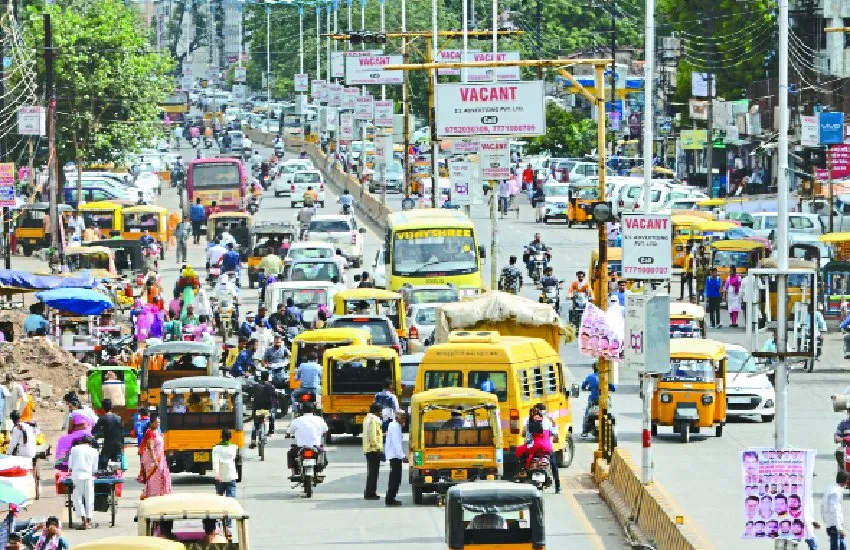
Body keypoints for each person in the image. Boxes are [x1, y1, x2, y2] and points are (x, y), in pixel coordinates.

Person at [286, 401, 328, 477]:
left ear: (302, 410)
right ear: (313, 410)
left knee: (290, 454)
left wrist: (289, 434)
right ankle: (319, 472)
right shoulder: (319, 420)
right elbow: (325, 430)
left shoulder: (297, 420)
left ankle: (293, 473)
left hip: (300, 448)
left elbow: (289, 431)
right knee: (322, 454)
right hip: (316, 448)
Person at [527, 403, 561, 492]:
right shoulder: (548, 421)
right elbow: (555, 435)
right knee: (554, 465)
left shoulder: (530, 420)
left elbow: (527, 436)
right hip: (547, 448)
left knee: (526, 462)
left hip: (534, 448)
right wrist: (554, 424)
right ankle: (558, 486)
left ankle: (526, 478)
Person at [68, 435, 99, 529]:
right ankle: (89, 521)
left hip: (77, 476)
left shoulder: (74, 449)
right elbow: (95, 468)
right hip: (88, 476)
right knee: (89, 499)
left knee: (78, 499)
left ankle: (83, 521)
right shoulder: (94, 451)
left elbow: (70, 465)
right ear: (90, 443)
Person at [56, 392, 97, 462]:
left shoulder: (72, 413)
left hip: (78, 436)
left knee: (62, 441)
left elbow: (68, 429)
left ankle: (64, 461)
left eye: (67, 403)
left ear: (70, 403)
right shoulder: (87, 409)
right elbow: (95, 421)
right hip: (90, 433)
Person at [140, 413, 172, 499]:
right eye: (157, 422)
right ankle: (152, 496)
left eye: (159, 422)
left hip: (160, 458)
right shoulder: (150, 432)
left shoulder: (157, 431)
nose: (158, 424)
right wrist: (154, 460)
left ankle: (158, 495)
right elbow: (150, 448)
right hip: (153, 460)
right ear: (151, 423)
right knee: (153, 478)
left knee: (160, 477)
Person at [580, 365, 616, 437]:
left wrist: (588, 387)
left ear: (594, 369)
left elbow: (583, 386)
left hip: (593, 399)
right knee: (608, 411)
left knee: (587, 414)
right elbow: (613, 388)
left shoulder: (590, 377)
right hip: (604, 400)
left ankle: (585, 431)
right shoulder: (606, 377)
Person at [515, 408, 553, 473]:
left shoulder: (530, 422)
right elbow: (552, 434)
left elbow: (527, 438)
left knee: (520, 450)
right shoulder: (547, 421)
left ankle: (523, 470)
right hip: (548, 447)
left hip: (535, 446)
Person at [92, 398, 124, 469]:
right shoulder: (118, 418)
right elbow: (122, 433)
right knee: (115, 463)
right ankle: (115, 477)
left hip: (108, 444)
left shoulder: (102, 418)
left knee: (103, 463)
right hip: (117, 444)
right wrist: (122, 445)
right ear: (111, 407)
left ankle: (103, 474)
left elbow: (94, 431)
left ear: (103, 408)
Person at [362, 403, 383, 501]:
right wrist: (378, 447)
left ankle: (369, 492)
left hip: (368, 449)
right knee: (374, 473)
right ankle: (370, 493)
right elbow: (373, 436)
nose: (381, 413)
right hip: (373, 449)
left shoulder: (367, 419)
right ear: (376, 411)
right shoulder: (374, 420)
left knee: (371, 472)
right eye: (380, 411)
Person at [250, 371, 277, 448]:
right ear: (268, 377)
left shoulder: (255, 386)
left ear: (260, 377)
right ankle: (271, 431)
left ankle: (253, 441)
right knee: (272, 414)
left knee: (255, 424)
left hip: (257, 409)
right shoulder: (270, 386)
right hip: (267, 409)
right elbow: (275, 395)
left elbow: (250, 395)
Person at [823, 471, 847, 550]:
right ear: (845, 481)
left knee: (841, 545)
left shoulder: (832, 488)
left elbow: (823, 505)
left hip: (832, 524)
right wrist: (840, 529)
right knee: (836, 546)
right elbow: (834, 511)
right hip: (834, 525)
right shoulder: (835, 493)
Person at [212, 429, 239, 499]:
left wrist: (216, 475)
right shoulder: (234, 447)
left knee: (219, 499)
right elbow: (233, 457)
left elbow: (215, 462)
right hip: (231, 476)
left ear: (221, 437)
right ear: (230, 437)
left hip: (220, 477)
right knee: (231, 500)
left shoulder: (216, 448)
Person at [384, 414, 404, 507]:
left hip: (395, 456)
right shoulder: (395, 427)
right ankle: (390, 499)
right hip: (395, 456)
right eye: (403, 418)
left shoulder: (395, 425)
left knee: (395, 478)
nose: (404, 421)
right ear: (397, 418)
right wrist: (402, 455)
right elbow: (396, 443)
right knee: (395, 478)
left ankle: (391, 497)